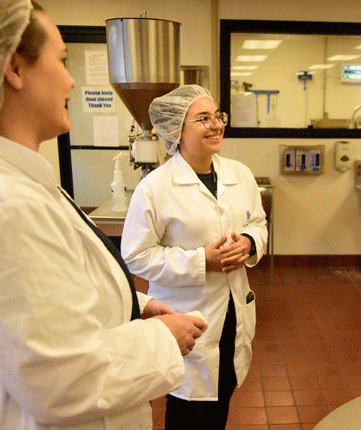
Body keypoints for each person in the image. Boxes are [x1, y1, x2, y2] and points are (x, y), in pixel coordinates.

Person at [0, 1, 206, 429]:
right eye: (62, 60)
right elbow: (66, 381)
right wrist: (164, 338)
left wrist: (132, 306)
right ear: (13, 67)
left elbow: (41, 300)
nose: (70, 80)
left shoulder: (7, 181)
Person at [121, 84, 267, 429]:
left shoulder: (240, 174)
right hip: (188, 317)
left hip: (233, 311)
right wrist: (201, 261)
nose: (216, 125)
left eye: (217, 116)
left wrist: (248, 241)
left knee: (222, 396)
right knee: (189, 410)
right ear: (175, 130)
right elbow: (136, 256)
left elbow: (258, 222)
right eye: (203, 118)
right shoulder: (155, 187)